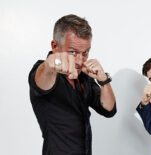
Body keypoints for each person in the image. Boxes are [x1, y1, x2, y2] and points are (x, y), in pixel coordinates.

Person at [28, 14, 117, 155]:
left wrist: (103, 80)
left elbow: (109, 110)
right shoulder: (43, 71)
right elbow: (42, 79)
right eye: (73, 52)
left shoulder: (84, 77)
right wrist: (52, 63)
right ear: (55, 46)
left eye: (85, 53)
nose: (80, 61)